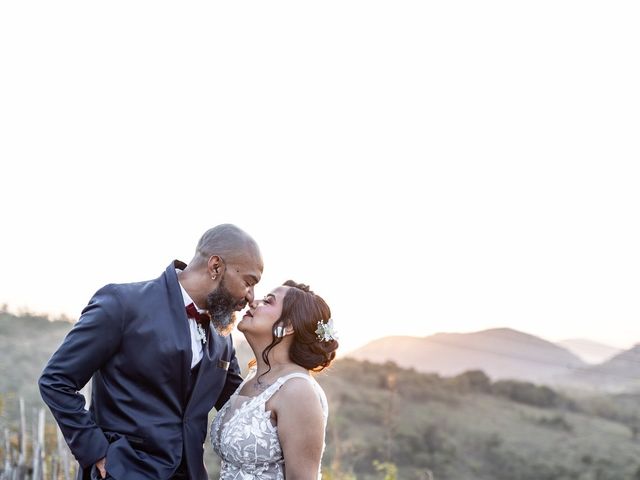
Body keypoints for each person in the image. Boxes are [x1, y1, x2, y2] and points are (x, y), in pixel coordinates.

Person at [39, 224, 263, 480]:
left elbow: (239, 404)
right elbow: (55, 380)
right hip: (120, 471)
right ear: (215, 266)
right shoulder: (122, 303)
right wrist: (96, 452)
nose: (251, 297)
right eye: (248, 282)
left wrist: (290, 372)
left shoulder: (223, 339)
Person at [210, 280, 339, 479]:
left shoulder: (298, 391)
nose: (253, 301)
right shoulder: (252, 378)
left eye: (268, 301)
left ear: (288, 326)